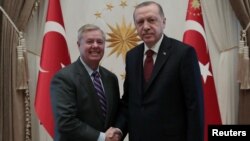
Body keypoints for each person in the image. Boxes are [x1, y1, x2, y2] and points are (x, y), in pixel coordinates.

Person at [115, 1, 204, 141]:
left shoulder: (183, 53)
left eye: (151, 20)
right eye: (140, 22)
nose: (145, 27)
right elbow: (128, 102)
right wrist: (119, 129)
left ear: (163, 22)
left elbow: (194, 107)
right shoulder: (132, 56)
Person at [50, 24, 121, 141]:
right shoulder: (64, 78)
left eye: (100, 42)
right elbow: (65, 121)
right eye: (89, 41)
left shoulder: (111, 78)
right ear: (79, 45)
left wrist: (116, 132)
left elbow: (114, 115)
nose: (95, 46)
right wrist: (103, 138)